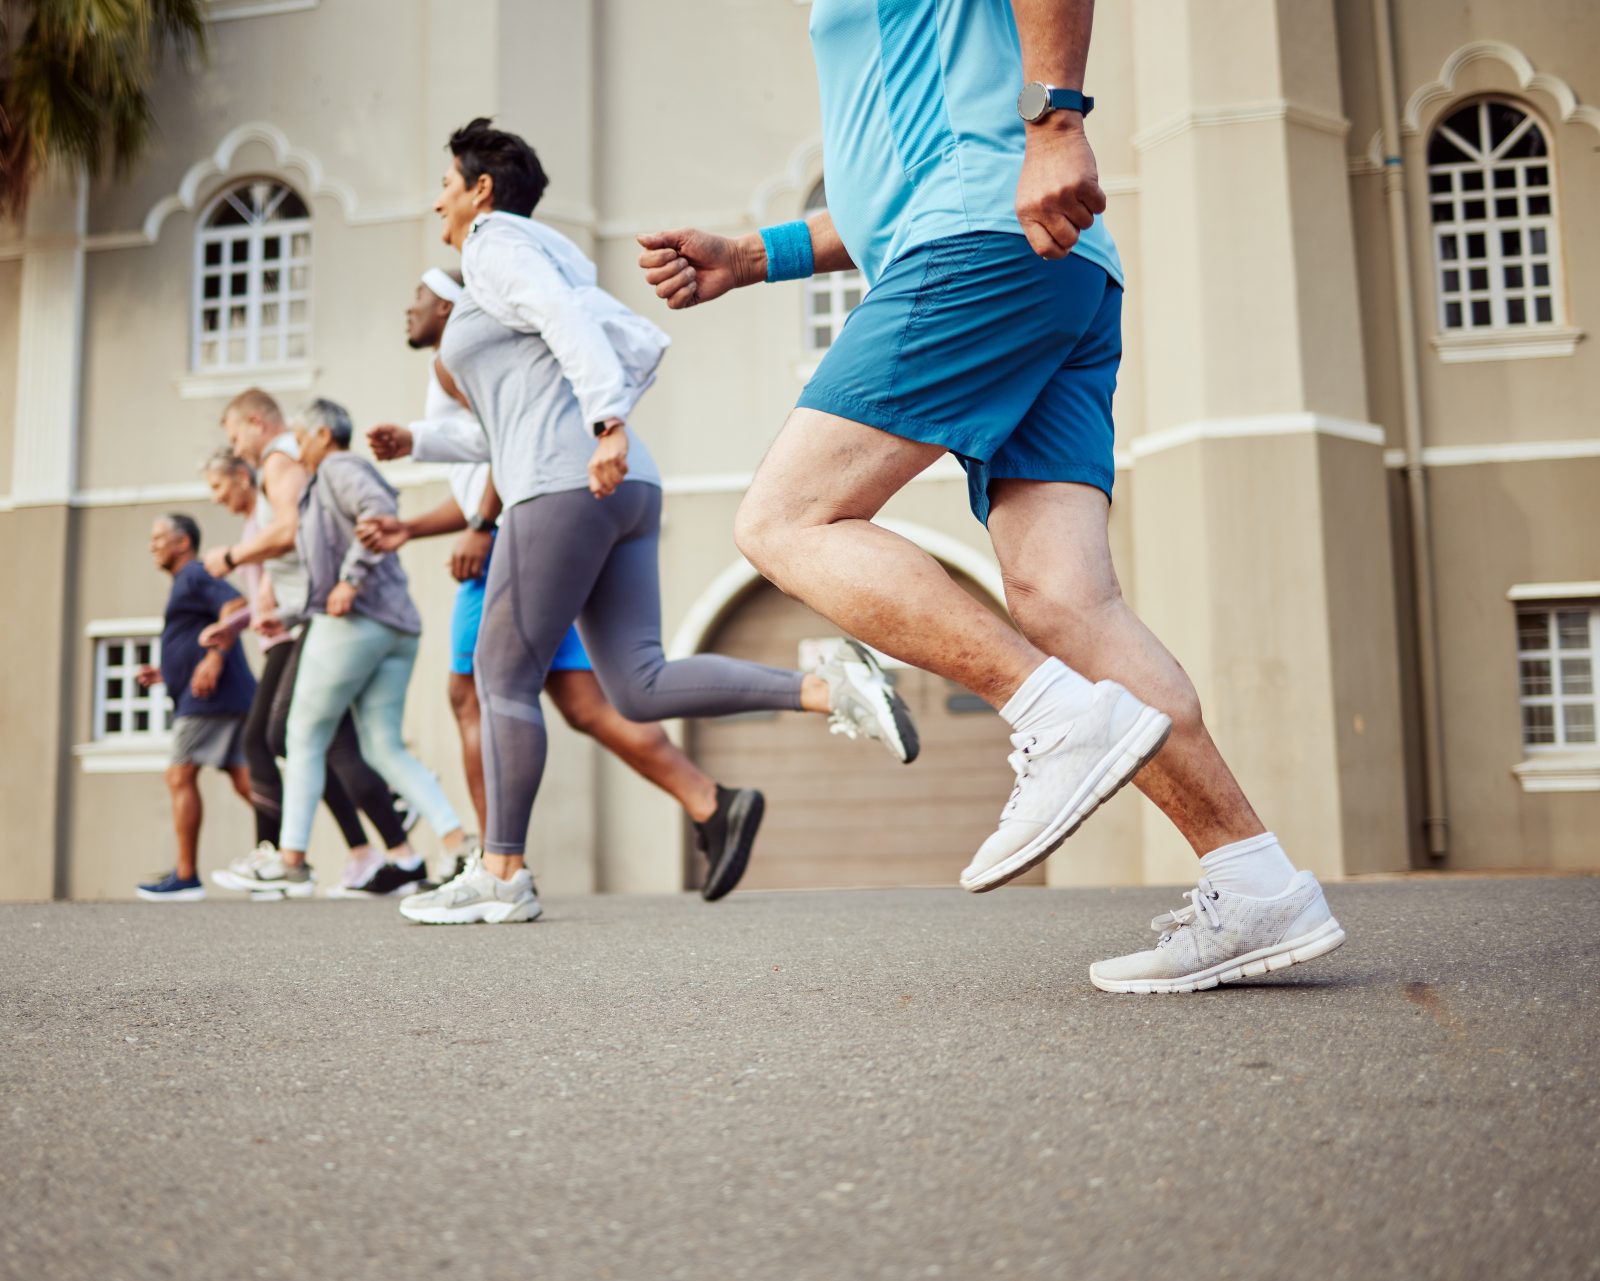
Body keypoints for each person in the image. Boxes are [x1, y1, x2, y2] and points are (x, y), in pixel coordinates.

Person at [634, 0, 1345, 993]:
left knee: (786, 520)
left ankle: (1051, 715)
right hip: (1046, 262)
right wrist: (756, 257)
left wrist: (1055, 120)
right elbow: (897, 186)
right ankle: (1253, 880)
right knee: (1066, 604)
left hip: (977, 244)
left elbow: (956, 172)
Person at [387, 118, 917, 927]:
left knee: (499, 678)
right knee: (636, 684)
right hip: (620, 486)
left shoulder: (495, 244)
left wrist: (606, 423)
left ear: (480, 191)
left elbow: (566, 326)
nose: (438, 203)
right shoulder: (541, 257)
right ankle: (831, 687)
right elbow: (519, 410)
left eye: (446, 186)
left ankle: (499, 871)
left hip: (566, 483)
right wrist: (419, 439)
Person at [363, 268, 766, 902]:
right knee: (591, 702)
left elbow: (508, 444)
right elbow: (492, 449)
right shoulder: (470, 357)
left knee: (473, 693)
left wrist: (479, 522)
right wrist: (414, 523)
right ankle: (710, 801)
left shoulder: (462, 354)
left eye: (417, 295)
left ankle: (491, 860)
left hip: (522, 532)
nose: (407, 309)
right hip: (548, 521)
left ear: (448, 304)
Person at [210, 398, 473, 899]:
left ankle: (290, 861)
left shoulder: (339, 465)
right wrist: (275, 614)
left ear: (323, 435)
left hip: (357, 621)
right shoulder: (320, 482)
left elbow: (378, 513)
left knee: (303, 734)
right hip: (392, 625)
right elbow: (318, 579)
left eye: (302, 439)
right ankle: (457, 843)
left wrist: (351, 579)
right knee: (382, 746)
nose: (297, 448)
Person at [134, 514, 256, 901]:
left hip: (208, 698)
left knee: (179, 774)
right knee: (247, 779)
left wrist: (214, 658)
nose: (152, 545)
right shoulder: (186, 582)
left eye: (159, 538)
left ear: (182, 542)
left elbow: (236, 604)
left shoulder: (193, 573)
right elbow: (197, 633)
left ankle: (186, 876)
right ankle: (286, 859)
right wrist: (168, 671)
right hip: (220, 693)